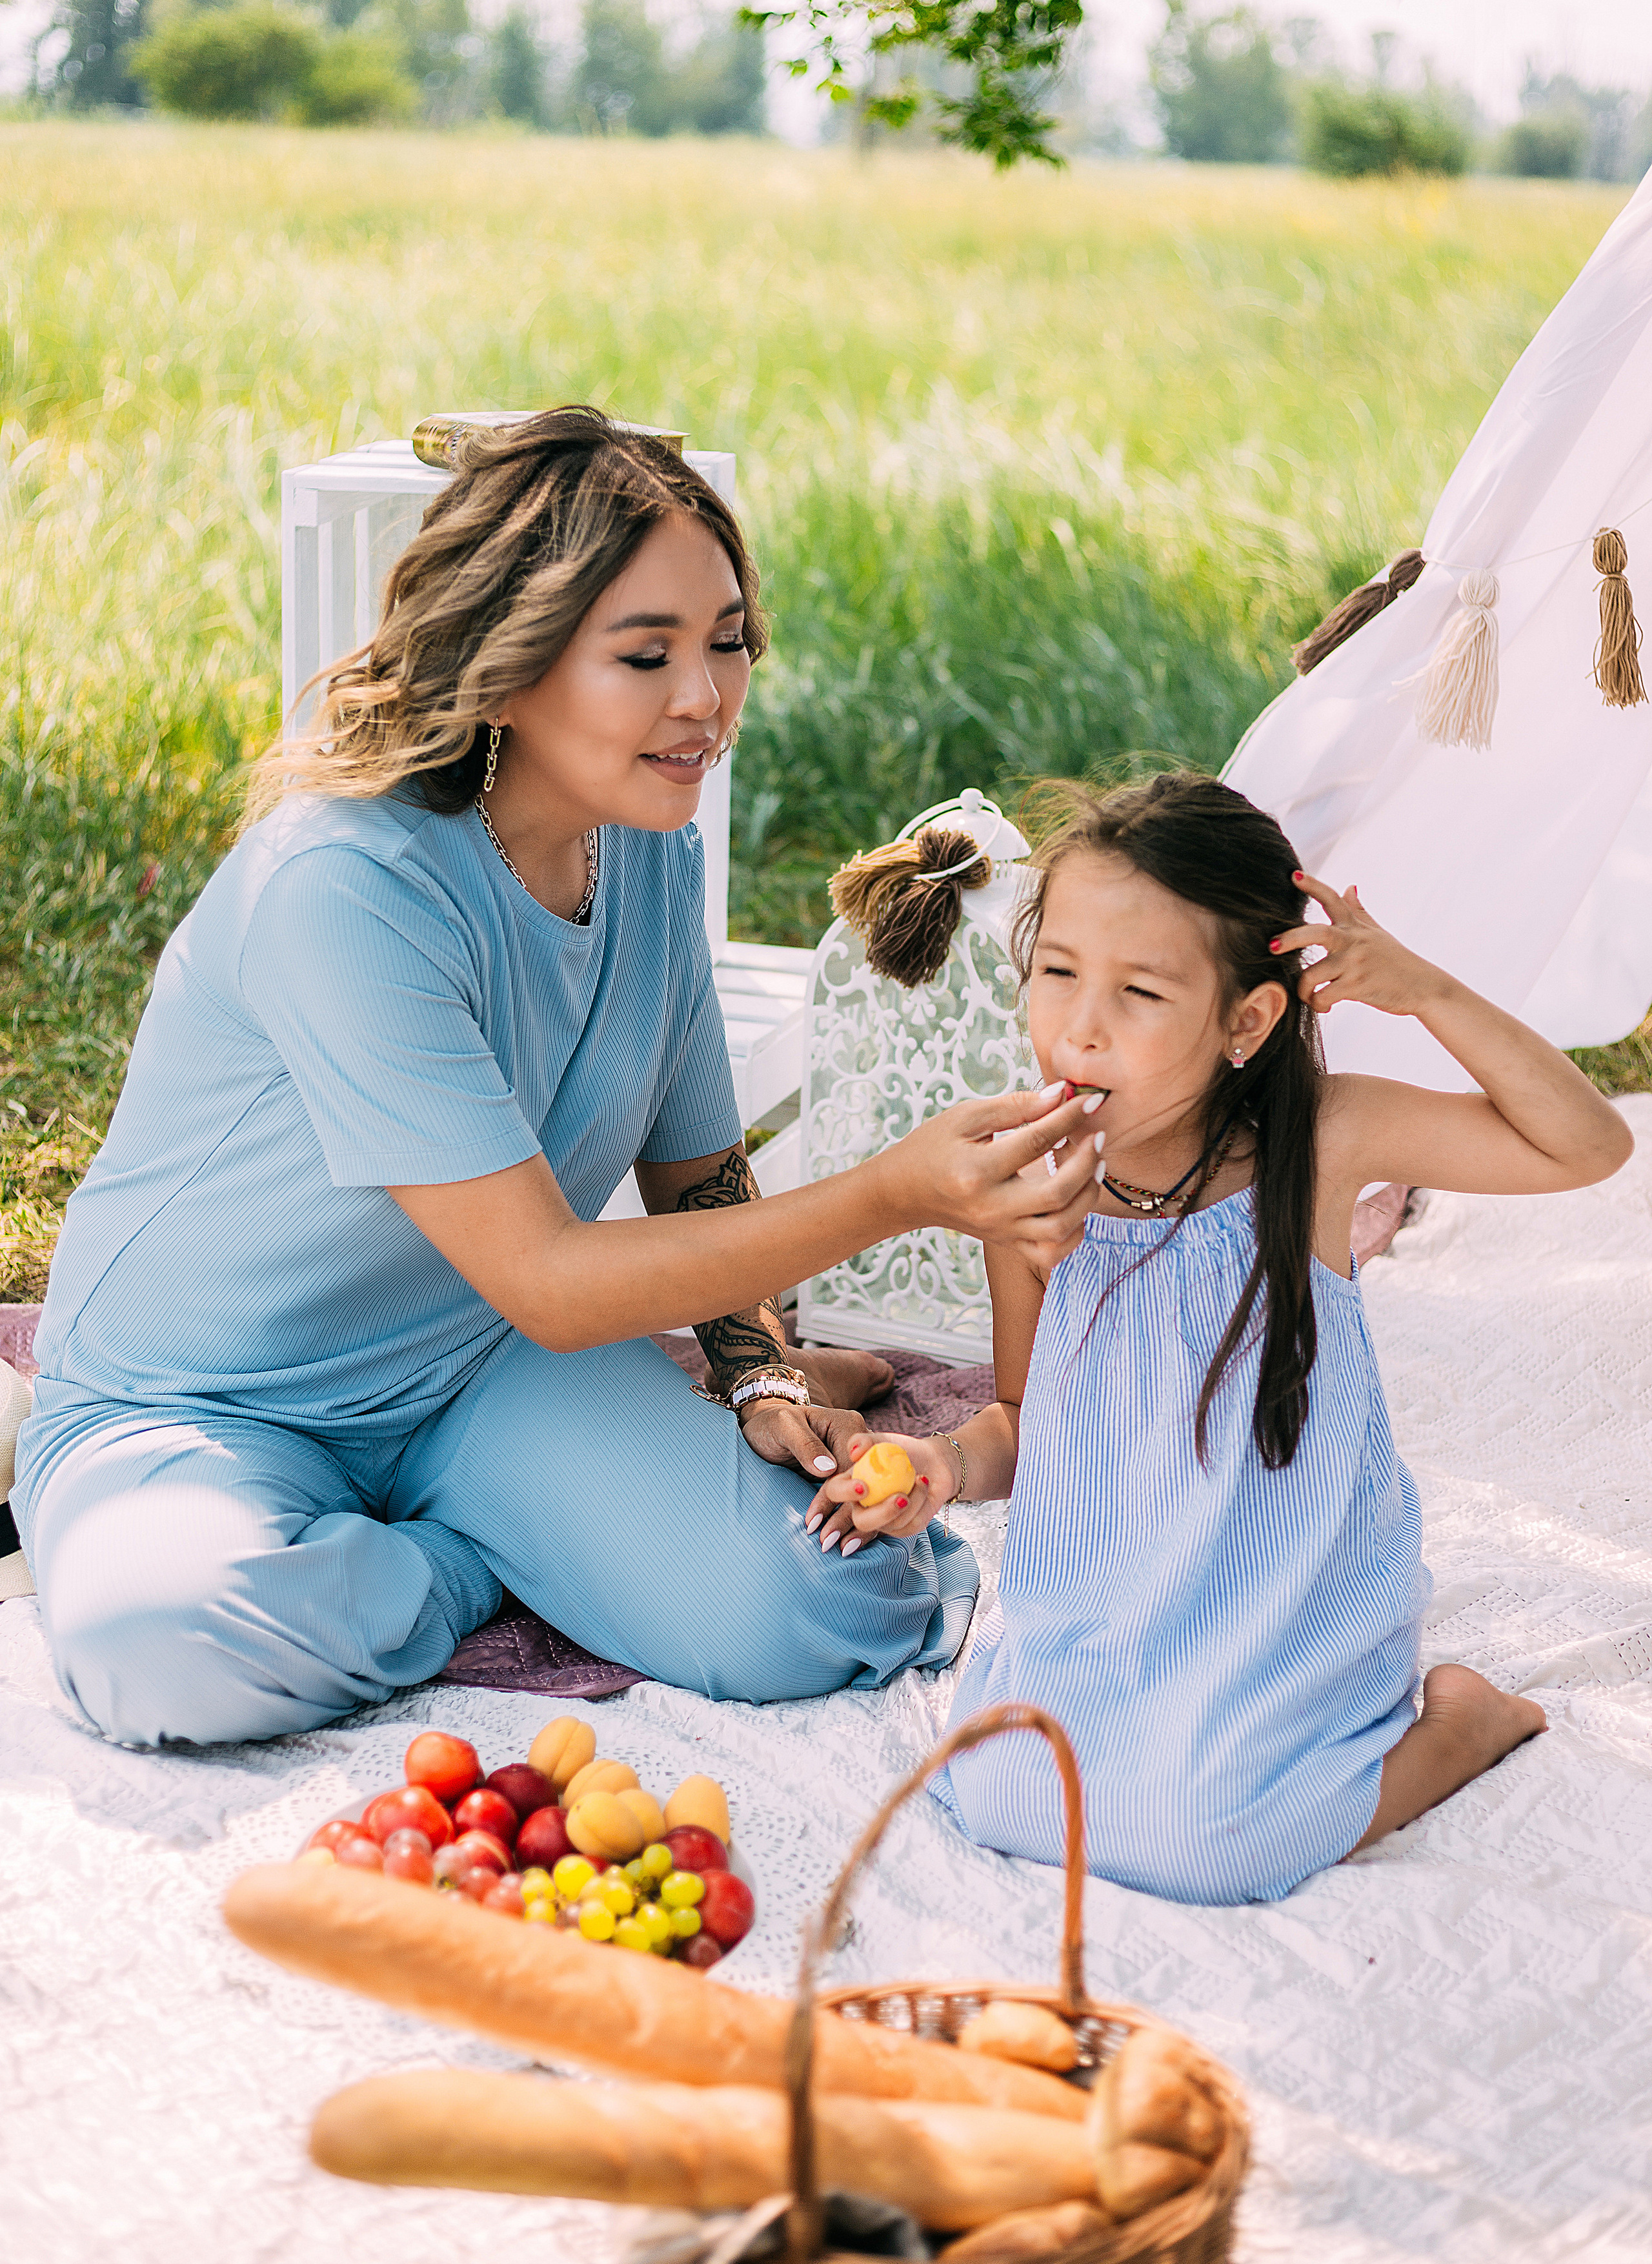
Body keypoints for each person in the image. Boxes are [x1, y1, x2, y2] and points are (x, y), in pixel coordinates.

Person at [13, 408, 1105, 1746]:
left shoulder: (643, 843)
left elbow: (695, 1167)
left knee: (834, 1598)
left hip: (484, 1369)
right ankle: (472, 1562)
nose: (701, 699)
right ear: (505, 667)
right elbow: (544, 1271)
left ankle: (441, 1534)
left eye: (725, 645)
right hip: (210, 1397)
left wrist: (757, 1373)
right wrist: (900, 1193)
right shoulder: (342, 888)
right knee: (167, 1653)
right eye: (643, 654)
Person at [805, 773, 1632, 1906]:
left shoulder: (1320, 1144)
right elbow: (1028, 1423)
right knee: (1001, 1791)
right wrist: (946, 1468)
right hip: (1106, 1590)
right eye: (1056, 974)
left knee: (1218, 1840)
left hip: (1284, 1597)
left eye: (1140, 992)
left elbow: (1586, 1147)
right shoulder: (1024, 1184)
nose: (1079, 1026)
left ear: (1247, 1019)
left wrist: (1426, 989)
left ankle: (1460, 1724)